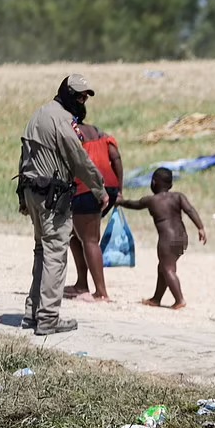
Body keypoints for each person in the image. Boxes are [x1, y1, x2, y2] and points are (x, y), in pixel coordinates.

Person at [18, 74, 107, 336]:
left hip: (33, 192)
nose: (82, 101)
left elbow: (25, 153)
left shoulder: (39, 114)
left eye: (85, 97)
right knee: (55, 254)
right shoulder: (61, 120)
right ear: (67, 94)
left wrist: (22, 197)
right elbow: (78, 157)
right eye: (79, 96)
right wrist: (98, 188)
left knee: (41, 252)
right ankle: (48, 318)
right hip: (52, 198)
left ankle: (31, 313)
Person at [117, 168, 206, 310]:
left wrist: (121, 202)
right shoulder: (178, 196)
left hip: (167, 240)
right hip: (182, 238)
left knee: (168, 268)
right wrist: (200, 227)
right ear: (170, 185)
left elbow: (134, 204)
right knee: (163, 267)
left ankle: (179, 300)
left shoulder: (151, 200)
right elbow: (190, 210)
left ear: (153, 182)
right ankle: (156, 298)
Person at [65, 122, 123, 302]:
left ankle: (101, 291)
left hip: (87, 188)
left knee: (89, 239)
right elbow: (116, 157)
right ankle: (81, 284)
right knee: (75, 233)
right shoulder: (102, 134)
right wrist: (119, 188)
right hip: (110, 186)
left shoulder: (71, 133)